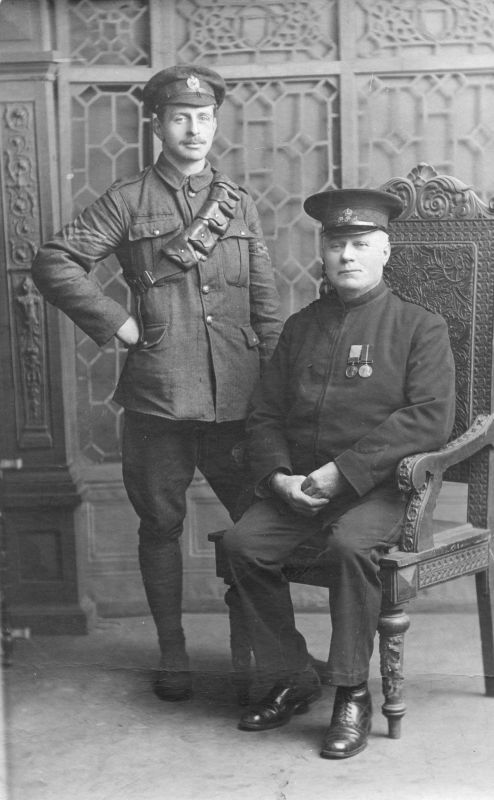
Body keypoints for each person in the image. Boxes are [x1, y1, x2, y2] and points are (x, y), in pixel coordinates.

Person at [31, 65, 283, 702]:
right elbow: (54, 261)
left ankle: (248, 646)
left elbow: (266, 305)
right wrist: (117, 323)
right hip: (158, 398)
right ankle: (172, 651)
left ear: (216, 122)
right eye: (179, 117)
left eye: (203, 117)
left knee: (255, 529)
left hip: (238, 398)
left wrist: (279, 391)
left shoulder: (240, 203)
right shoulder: (128, 199)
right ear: (156, 124)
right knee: (160, 528)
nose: (193, 129)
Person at [222, 188, 456, 758]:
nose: (347, 256)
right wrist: (277, 477)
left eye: (361, 244)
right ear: (322, 255)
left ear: (385, 253)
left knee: (353, 547)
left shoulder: (419, 326)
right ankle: (292, 675)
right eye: (336, 245)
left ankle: (351, 691)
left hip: (382, 489)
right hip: (301, 487)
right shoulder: (301, 328)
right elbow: (266, 414)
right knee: (241, 544)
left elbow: (429, 418)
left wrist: (341, 473)